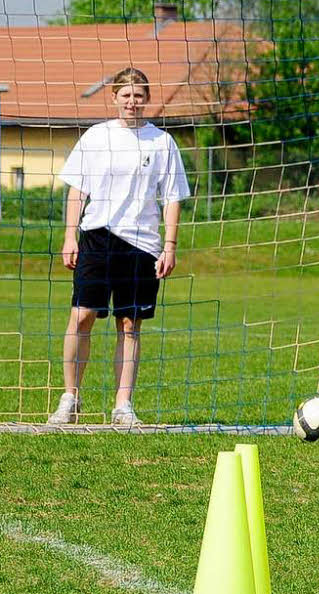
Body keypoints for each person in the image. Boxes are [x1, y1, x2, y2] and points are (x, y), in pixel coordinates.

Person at [48, 67, 190, 427]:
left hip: (142, 245)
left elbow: (172, 198)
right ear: (114, 98)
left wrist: (169, 246)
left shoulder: (162, 143)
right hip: (96, 237)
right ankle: (70, 399)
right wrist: (69, 235)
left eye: (138, 96)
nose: (132, 102)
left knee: (130, 324)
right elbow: (77, 190)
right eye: (125, 95)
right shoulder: (96, 137)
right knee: (82, 316)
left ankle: (123, 406)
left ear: (147, 99)